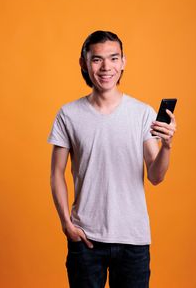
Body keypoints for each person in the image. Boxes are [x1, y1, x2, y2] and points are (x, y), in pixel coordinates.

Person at [48, 30, 176, 288]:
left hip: (133, 240)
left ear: (123, 62)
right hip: (85, 240)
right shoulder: (68, 114)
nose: (106, 67)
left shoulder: (142, 113)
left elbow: (155, 176)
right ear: (84, 63)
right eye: (97, 59)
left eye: (113, 58)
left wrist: (167, 146)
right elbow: (56, 173)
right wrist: (66, 224)